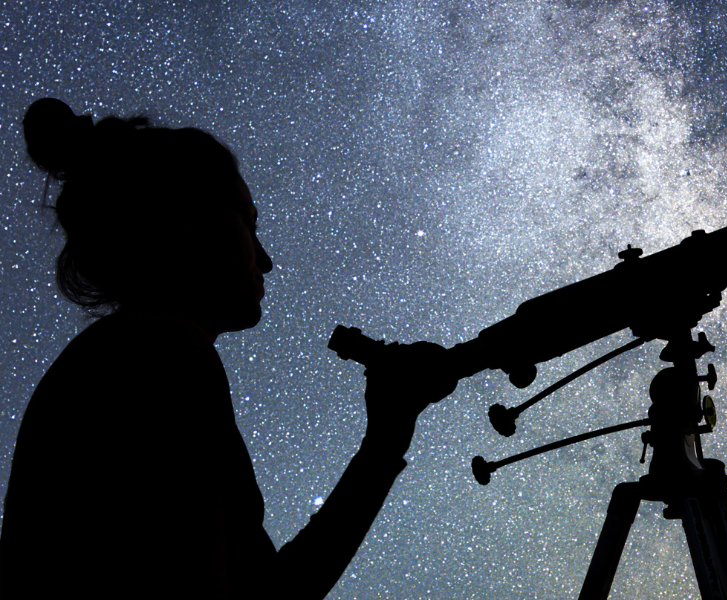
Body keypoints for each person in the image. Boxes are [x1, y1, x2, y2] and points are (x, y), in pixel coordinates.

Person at [0, 98, 457, 599]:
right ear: (186, 223)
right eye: (249, 223)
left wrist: (385, 440)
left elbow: (267, 593)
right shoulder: (162, 353)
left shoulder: (124, 354)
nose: (266, 260)